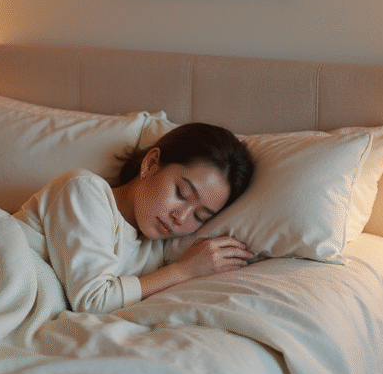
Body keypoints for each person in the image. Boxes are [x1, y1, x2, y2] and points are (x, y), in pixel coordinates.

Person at [13, 122, 254, 315]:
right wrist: (184, 271)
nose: (180, 218)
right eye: (182, 193)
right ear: (151, 164)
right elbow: (92, 300)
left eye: (200, 216)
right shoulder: (84, 190)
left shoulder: (156, 250)